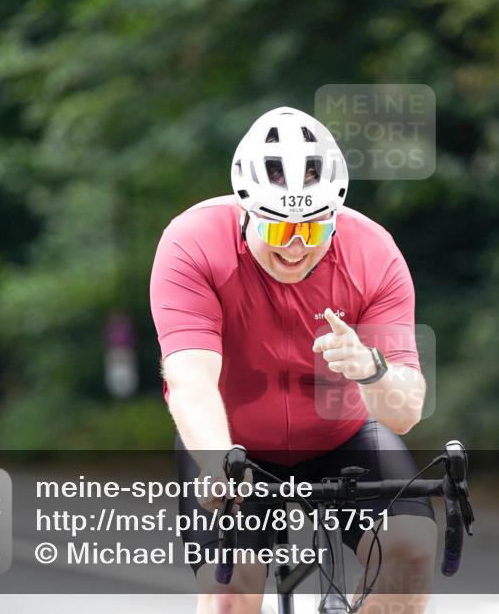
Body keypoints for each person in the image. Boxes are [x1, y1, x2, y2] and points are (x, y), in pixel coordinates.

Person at [150, 106, 434, 614]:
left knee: (410, 553)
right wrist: (218, 464)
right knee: (230, 598)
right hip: (235, 446)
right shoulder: (191, 243)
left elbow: (405, 412)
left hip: (342, 435)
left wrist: (371, 368)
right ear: (247, 210)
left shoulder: (375, 254)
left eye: (315, 229)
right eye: (280, 231)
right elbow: (190, 381)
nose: (298, 247)